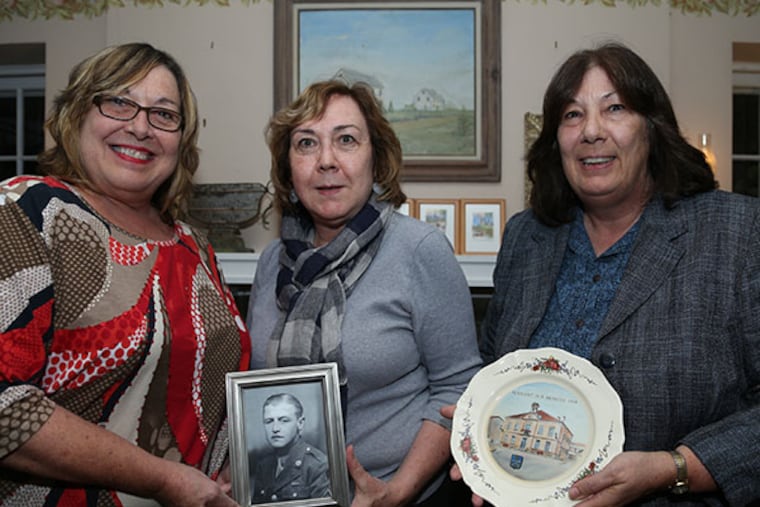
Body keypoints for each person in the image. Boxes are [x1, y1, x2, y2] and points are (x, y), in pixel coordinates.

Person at [449, 41, 760, 506]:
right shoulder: (525, 238)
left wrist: (673, 468)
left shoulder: (736, 231)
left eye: (614, 108)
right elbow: (498, 367)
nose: (591, 131)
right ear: (556, 140)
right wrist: (483, 436)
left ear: (652, 129)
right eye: (572, 115)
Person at [0, 43, 251, 506]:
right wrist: (165, 480)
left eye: (163, 115)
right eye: (118, 102)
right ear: (77, 113)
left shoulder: (193, 244)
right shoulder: (26, 212)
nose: (139, 127)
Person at [246, 80, 482, 506]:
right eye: (306, 144)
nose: (326, 161)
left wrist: (398, 491)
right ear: (287, 168)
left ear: (377, 157)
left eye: (347, 140)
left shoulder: (419, 250)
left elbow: (457, 389)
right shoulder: (271, 262)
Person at [250, 393, 330, 503]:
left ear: (300, 423)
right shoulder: (264, 466)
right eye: (269, 421)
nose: (275, 428)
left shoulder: (317, 465)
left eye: (284, 420)